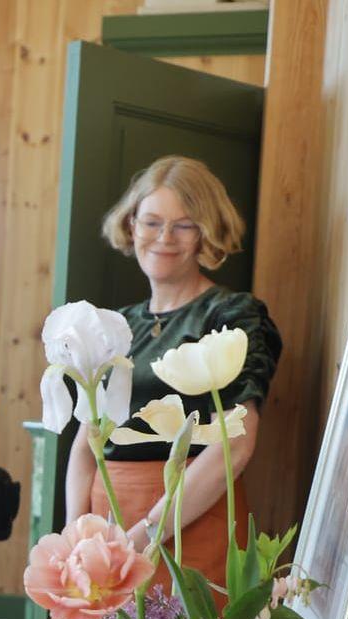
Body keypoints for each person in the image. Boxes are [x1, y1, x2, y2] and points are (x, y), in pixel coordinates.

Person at [65, 155, 282, 590]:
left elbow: (234, 446)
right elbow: (87, 443)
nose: (164, 237)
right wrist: (76, 538)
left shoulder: (232, 315)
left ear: (207, 232)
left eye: (184, 225)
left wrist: (147, 532)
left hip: (192, 520)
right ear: (131, 226)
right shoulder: (115, 327)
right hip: (106, 523)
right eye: (151, 222)